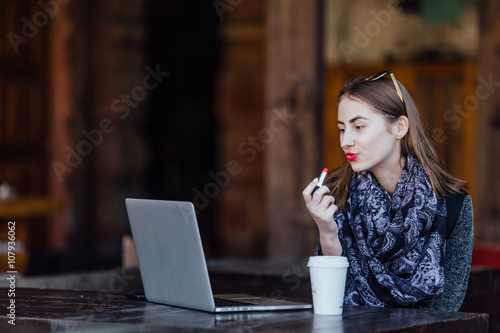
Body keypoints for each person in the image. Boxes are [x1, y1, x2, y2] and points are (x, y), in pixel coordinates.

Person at [303, 70, 473, 311]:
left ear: (399, 127)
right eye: (342, 128)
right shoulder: (337, 197)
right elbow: (330, 302)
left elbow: (444, 309)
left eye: (358, 126)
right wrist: (328, 234)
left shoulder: (453, 204)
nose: (345, 141)